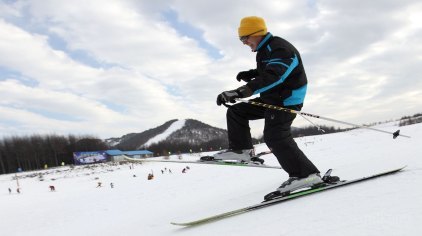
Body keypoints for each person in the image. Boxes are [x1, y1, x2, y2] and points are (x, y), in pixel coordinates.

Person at [214, 16, 322, 196]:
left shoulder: (280, 48)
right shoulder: (265, 50)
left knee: (275, 136)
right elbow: (268, 70)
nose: (244, 43)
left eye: (245, 38)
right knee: (237, 111)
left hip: (286, 99)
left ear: (257, 33)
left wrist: (241, 91)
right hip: (272, 98)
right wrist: (252, 73)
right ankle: (242, 150)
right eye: (241, 39)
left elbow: (275, 76)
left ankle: (307, 175)